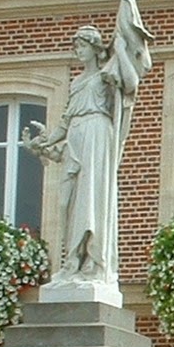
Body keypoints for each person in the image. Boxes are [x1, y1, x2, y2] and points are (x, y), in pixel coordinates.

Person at [25, 25, 119, 285]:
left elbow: (127, 85)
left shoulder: (106, 77)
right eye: (76, 47)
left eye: (82, 46)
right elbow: (65, 123)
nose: (78, 51)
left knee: (92, 198)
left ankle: (92, 260)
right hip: (76, 136)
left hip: (97, 133)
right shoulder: (77, 82)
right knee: (68, 203)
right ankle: (72, 261)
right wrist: (44, 143)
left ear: (95, 48)